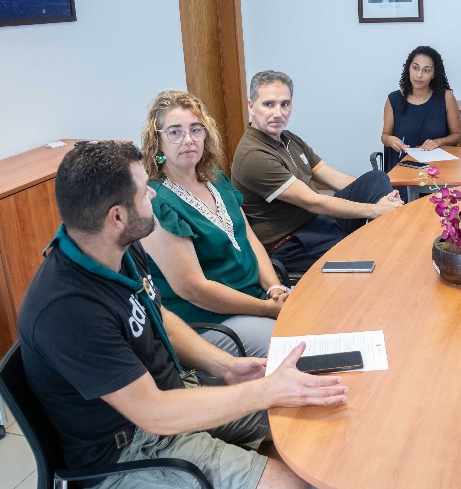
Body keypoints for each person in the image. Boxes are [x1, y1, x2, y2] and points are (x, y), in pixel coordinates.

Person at [17, 141, 348, 489]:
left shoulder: (118, 250)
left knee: (318, 419)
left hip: (175, 394)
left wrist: (225, 366)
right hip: (132, 448)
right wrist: (266, 391)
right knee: (301, 483)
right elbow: (153, 413)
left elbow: (159, 317)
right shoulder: (68, 310)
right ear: (117, 217)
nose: (155, 198)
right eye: (145, 193)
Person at [140, 90, 285, 358]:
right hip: (210, 322)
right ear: (157, 141)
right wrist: (267, 309)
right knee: (297, 345)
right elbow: (195, 290)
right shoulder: (156, 202)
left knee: (322, 315)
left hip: (256, 299)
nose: (188, 140)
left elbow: (250, 240)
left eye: (196, 129)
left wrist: (275, 289)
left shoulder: (215, 178)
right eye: (174, 132)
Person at [232, 70, 403, 273]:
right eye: (269, 104)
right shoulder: (254, 155)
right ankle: (396, 240)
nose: (278, 113)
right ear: (251, 105)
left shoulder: (288, 139)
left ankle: (397, 231)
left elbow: (336, 179)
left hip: (316, 221)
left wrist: (383, 200)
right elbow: (313, 201)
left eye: (284, 104)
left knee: (376, 178)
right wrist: (376, 210)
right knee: (365, 249)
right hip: (291, 243)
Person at [380, 46, 461, 172]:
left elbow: (457, 136)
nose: (419, 75)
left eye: (426, 70)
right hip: (403, 168)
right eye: (415, 68)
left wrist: (438, 142)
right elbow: (385, 136)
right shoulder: (394, 99)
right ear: (408, 68)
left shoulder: (446, 98)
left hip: (437, 169)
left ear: (434, 74)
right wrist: (390, 140)